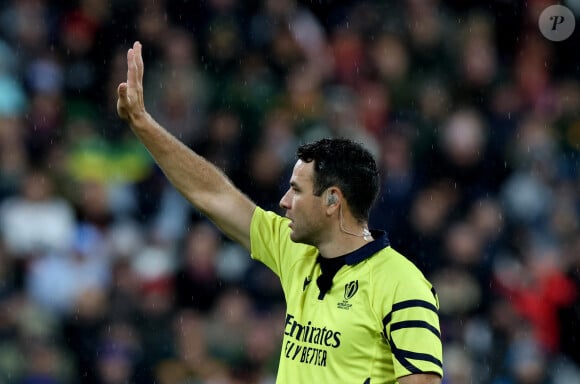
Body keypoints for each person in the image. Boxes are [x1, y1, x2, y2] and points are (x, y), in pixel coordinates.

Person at [117, 41, 443, 384]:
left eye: (297, 190)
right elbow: (212, 194)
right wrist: (142, 124)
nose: (284, 201)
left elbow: (422, 381)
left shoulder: (402, 283)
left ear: (333, 201)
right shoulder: (294, 249)